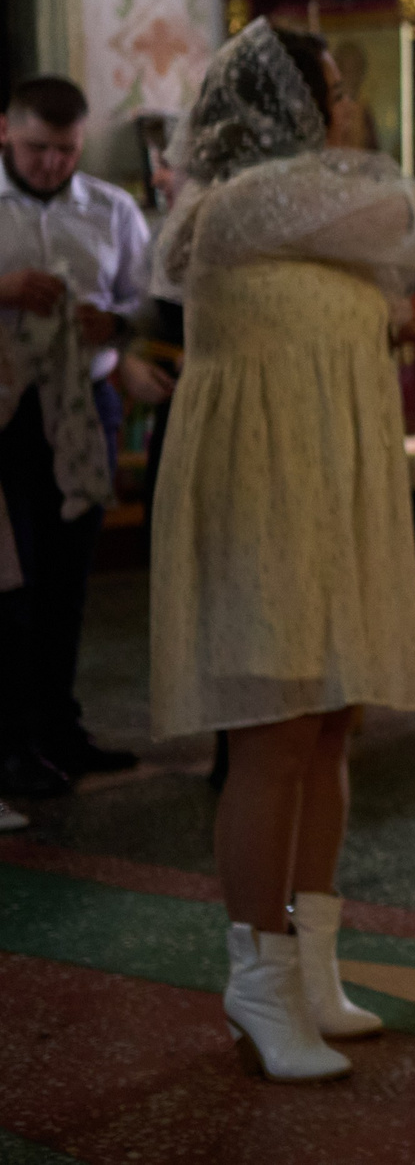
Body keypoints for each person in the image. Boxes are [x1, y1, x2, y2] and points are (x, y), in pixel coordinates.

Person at [151, 21, 415, 1082]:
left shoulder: (297, 203)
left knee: (330, 720)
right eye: (332, 88)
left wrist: (380, 328)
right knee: (273, 731)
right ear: (284, 105)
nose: (346, 106)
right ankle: (258, 983)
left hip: (327, 478)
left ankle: (311, 963)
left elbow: (340, 285)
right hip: (266, 486)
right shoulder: (254, 196)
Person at [0, 75, 158, 800]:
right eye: (36, 149)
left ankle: (61, 727)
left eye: (65, 151)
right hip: (6, 407)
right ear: (6, 129)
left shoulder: (113, 209)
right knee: (14, 580)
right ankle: (12, 740)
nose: (50, 165)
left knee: (67, 576)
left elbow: (145, 297)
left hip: (85, 403)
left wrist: (115, 325)